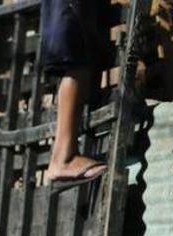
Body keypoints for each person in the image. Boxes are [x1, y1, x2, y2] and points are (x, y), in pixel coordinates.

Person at [41, 0, 112, 184]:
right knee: (77, 66)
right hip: (70, 9)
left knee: (78, 67)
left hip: (69, 11)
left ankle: (62, 156)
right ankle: (63, 159)